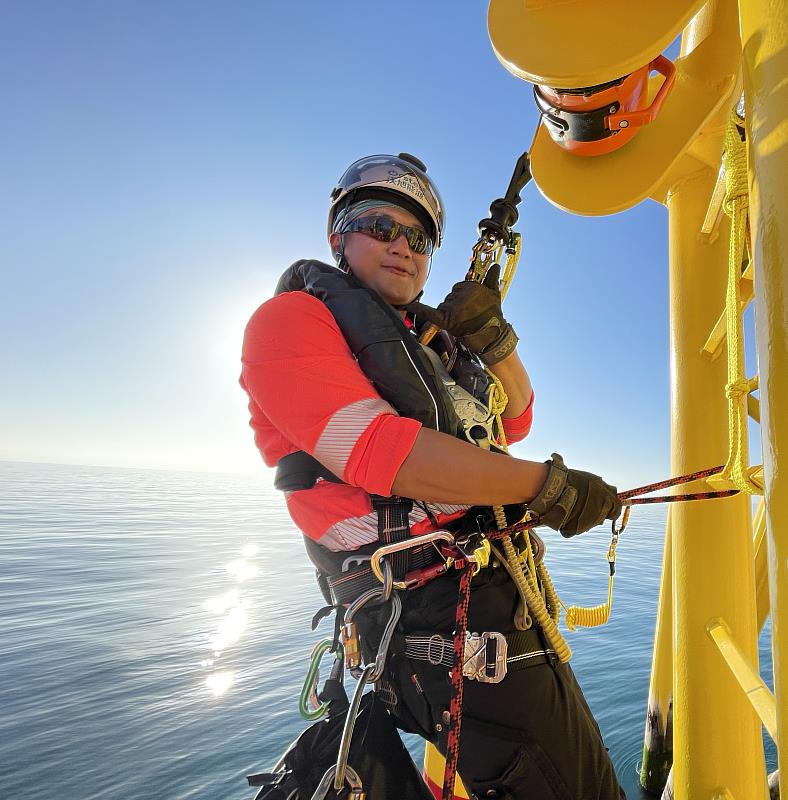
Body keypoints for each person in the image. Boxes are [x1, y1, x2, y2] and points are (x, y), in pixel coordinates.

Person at [240, 153, 626, 799]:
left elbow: (515, 418)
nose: (401, 247)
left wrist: (494, 342)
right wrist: (546, 488)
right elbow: (375, 450)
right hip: (435, 617)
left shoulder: (426, 345)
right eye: (378, 226)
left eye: (417, 238)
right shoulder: (289, 320)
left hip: (472, 608)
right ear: (340, 238)